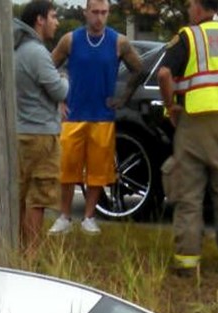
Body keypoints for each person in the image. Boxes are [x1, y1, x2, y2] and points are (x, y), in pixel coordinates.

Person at [157, 0, 218, 276]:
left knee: (188, 196)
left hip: (193, 122)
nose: (189, 10)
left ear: (199, 8)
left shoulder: (188, 36)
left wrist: (170, 106)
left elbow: (164, 73)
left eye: (190, 5)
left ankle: (187, 262)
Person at [47, 0, 144, 235]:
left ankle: (89, 217)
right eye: (95, 12)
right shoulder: (70, 39)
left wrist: (123, 99)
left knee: (98, 172)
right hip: (74, 115)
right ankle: (64, 216)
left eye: (104, 13)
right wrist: (59, 100)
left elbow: (139, 68)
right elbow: (47, 68)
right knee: (67, 169)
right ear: (85, 12)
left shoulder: (118, 41)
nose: (99, 18)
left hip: (103, 117)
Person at [13, 1, 68, 255]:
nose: (56, 22)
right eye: (53, 16)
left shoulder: (19, 49)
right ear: (40, 20)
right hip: (42, 136)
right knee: (39, 197)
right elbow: (58, 90)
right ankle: (31, 257)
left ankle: (18, 250)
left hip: (23, 131)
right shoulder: (37, 52)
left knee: (22, 198)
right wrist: (66, 80)